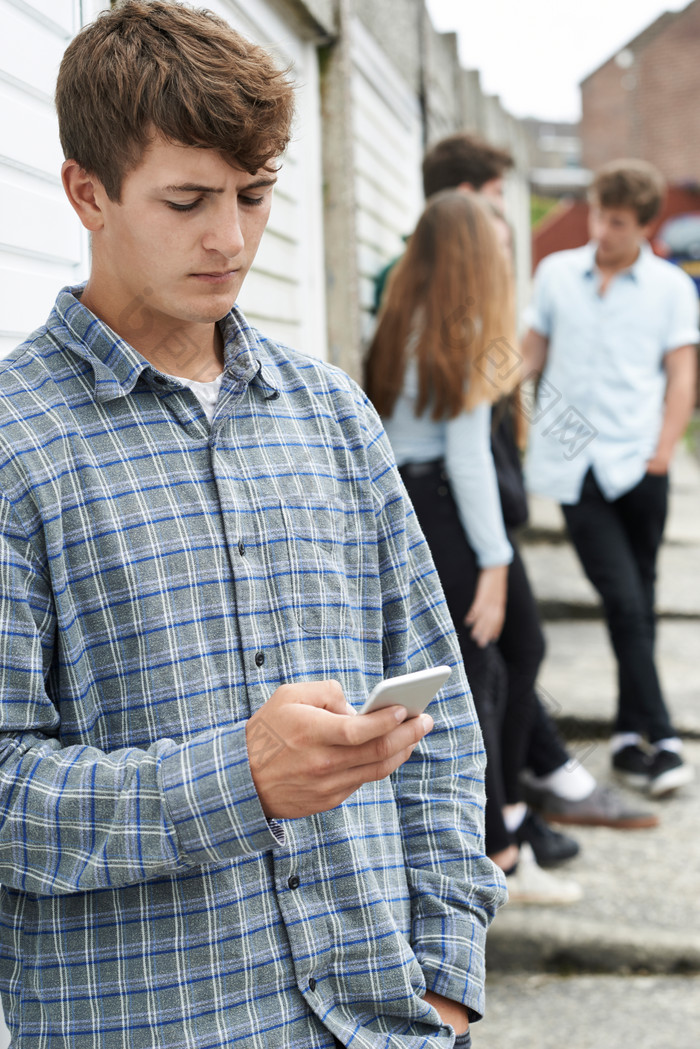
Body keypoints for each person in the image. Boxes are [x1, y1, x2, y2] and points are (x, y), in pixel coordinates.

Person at [0, 3, 506, 1046]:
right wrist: (236, 780)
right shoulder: (14, 444)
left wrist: (447, 974)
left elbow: (439, 705)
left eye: (254, 195)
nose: (229, 237)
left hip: (384, 1016)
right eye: (186, 200)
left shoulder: (330, 413)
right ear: (85, 192)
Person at [365, 189, 582, 906]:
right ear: (470, 255)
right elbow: (467, 459)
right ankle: (501, 853)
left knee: (508, 661)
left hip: (416, 505)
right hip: (448, 514)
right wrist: (494, 563)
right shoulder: (453, 331)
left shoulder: (403, 317)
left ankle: (508, 826)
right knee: (480, 680)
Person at [522, 158, 699, 799]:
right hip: (575, 465)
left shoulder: (671, 288)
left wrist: (663, 450)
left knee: (639, 606)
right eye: (598, 214)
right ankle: (665, 736)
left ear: (647, 227)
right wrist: (482, 394)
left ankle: (628, 739)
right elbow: (531, 353)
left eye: (617, 222)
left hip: (639, 463)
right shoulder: (557, 274)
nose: (601, 229)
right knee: (623, 601)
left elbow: (682, 372)